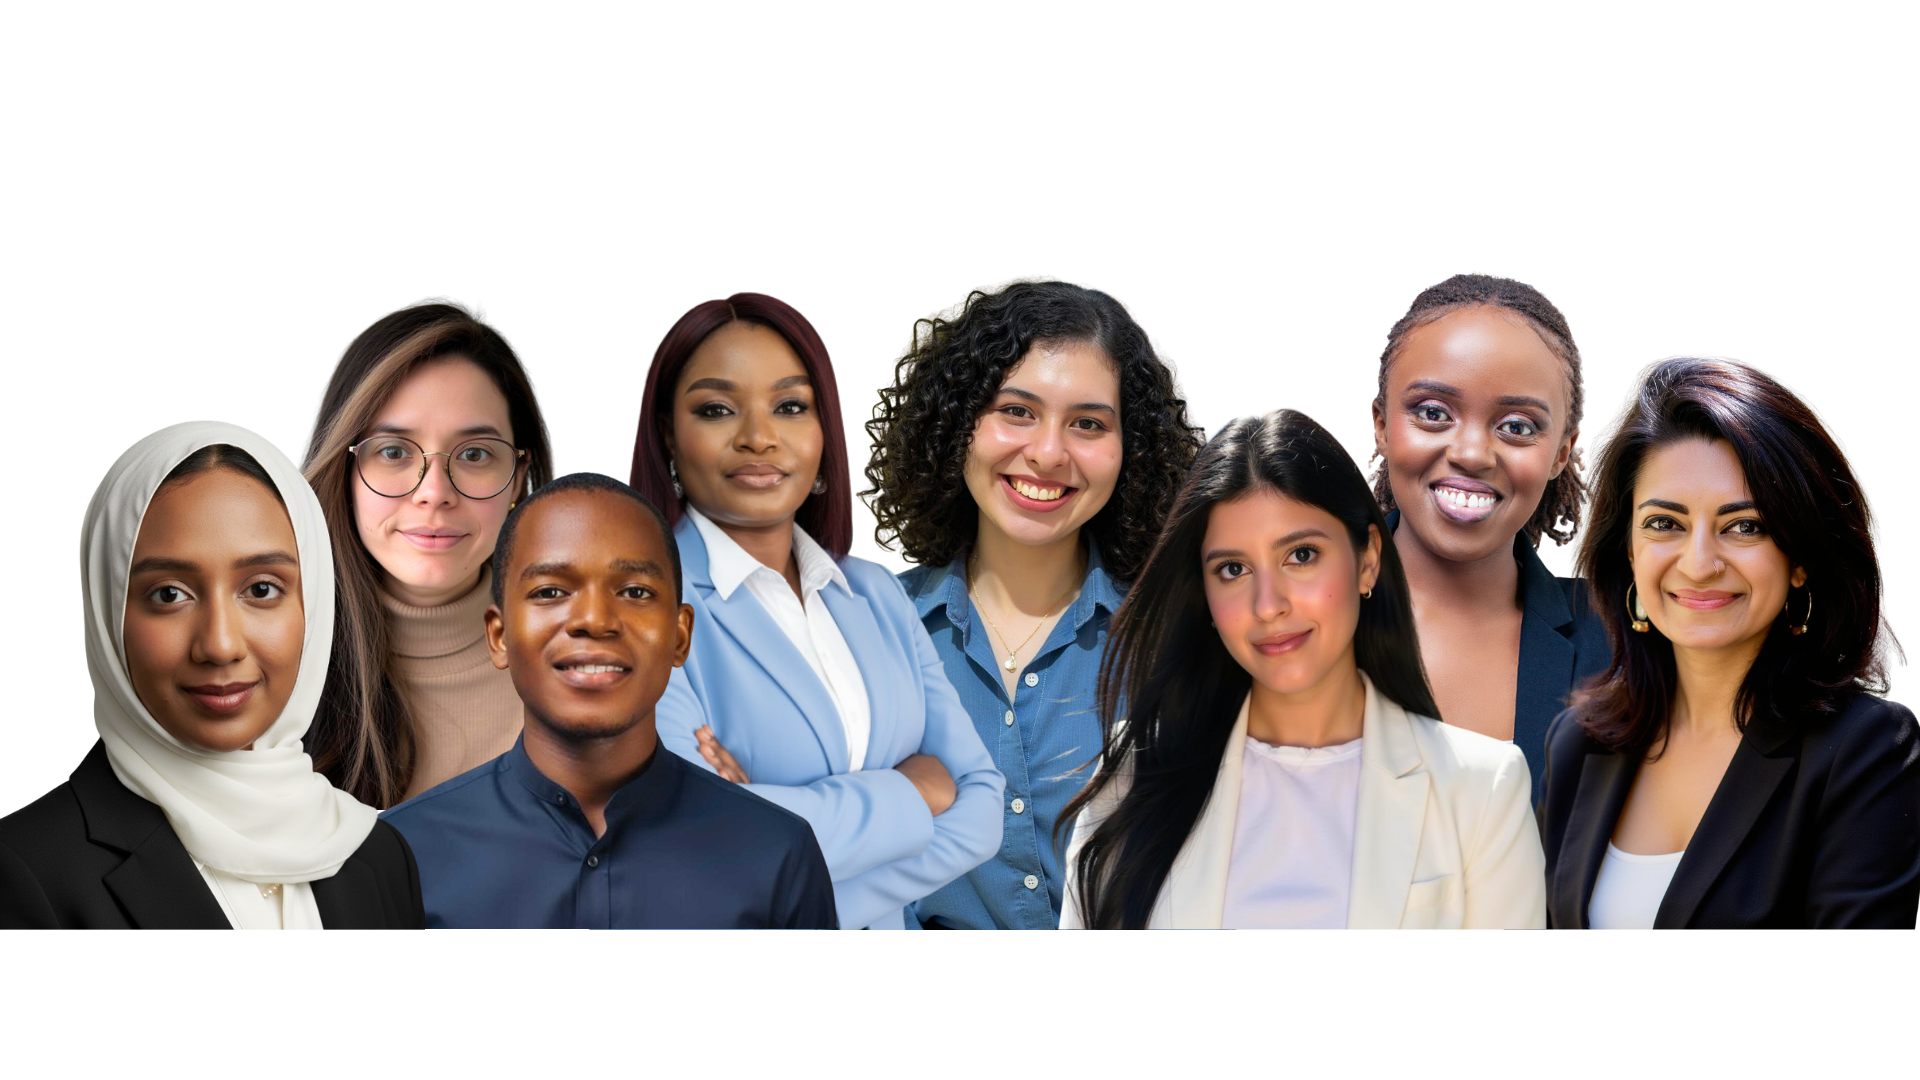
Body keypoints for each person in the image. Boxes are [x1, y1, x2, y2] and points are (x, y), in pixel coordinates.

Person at [1060, 409, 1545, 930]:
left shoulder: (1481, 788)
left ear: (1367, 561)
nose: (1268, 605)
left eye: (1302, 555)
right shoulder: (1135, 772)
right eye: (1233, 569)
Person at [632, 292, 1003, 933]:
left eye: (790, 406)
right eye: (717, 409)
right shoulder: (645, 610)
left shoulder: (877, 593)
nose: (759, 437)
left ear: (823, 431)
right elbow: (699, 849)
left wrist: (767, 819)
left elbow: (981, 808)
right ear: (669, 434)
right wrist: (913, 789)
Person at [1540, 355, 1918, 959]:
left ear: (1800, 558)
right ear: (1628, 552)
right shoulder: (1578, 745)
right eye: (1664, 522)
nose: (1699, 562)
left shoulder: (1870, 756)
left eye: (1744, 527)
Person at [861, 279, 1203, 929]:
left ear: (1129, 448)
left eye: (1088, 423)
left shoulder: (1181, 640)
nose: (1048, 453)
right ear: (958, 421)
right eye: (1016, 411)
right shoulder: (864, 632)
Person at [1, 422, 422, 931]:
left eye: (262, 590)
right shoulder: (27, 870)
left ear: (313, 602)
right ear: (108, 618)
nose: (220, 645)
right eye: (169, 594)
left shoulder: (376, 857)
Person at [381, 473, 837, 929]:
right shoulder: (396, 855)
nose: (595, 620)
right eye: (550, 592)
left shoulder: (778, 852)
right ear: (499, 637)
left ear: (680, 636)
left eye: (635, 592)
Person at [298, 299, 556, 808]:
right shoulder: (266, 666)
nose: (434, 492)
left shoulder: (578, 669)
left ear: (518, 478)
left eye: (476, 454)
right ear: (344, 472)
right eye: (393, 452)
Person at [1365, 272, 1608, 801]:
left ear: (1562, 453)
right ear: (1381, 426)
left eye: (1518, 426)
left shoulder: (1613, 649)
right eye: (1433, 413)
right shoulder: (1287, 606)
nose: (1472, 453)